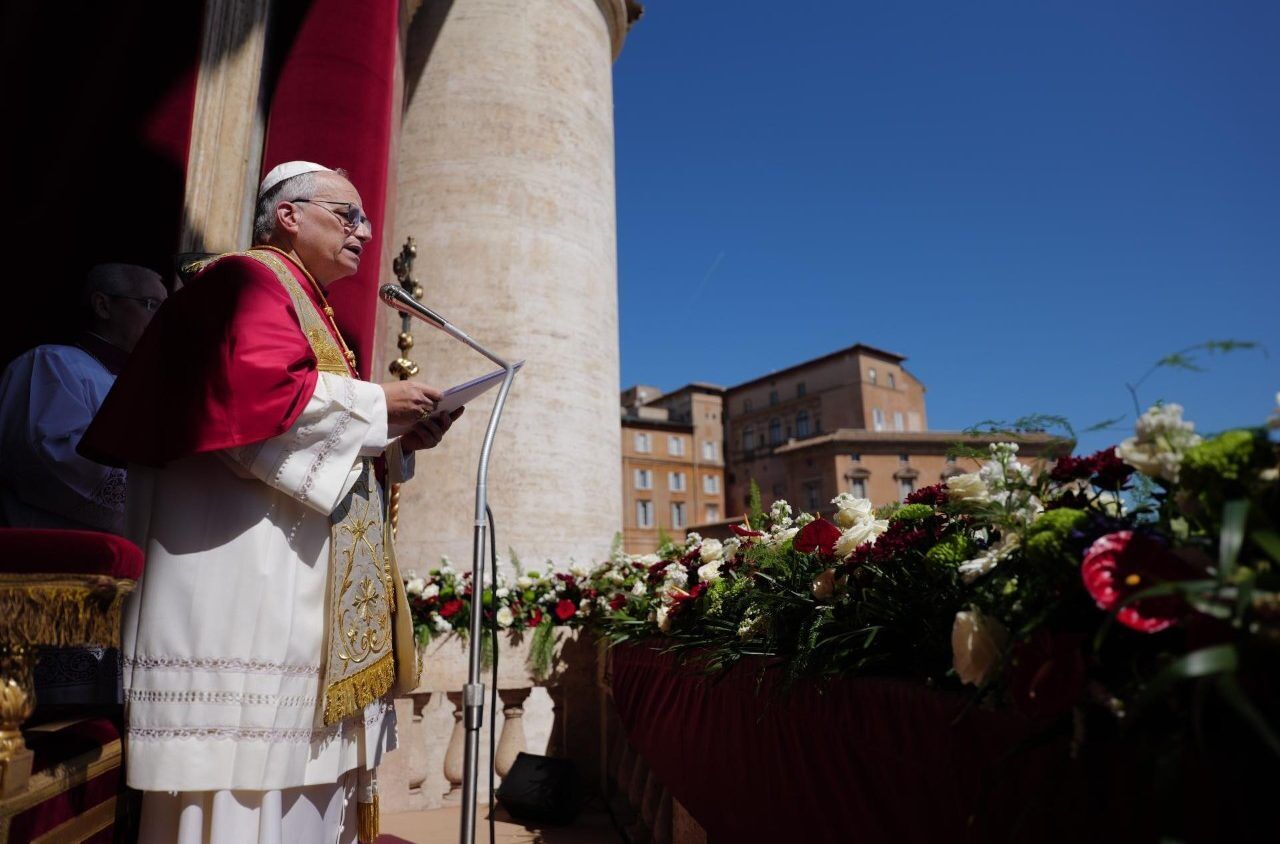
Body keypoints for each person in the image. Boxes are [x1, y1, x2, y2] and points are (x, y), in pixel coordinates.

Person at [80, 161, 461, 843]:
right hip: (242, 586)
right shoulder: (243, 280)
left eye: (364, 220)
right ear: (288, 215)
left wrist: (398, 439)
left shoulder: (306, 303)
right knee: (244, 793)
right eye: (347, 215)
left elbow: (307, 424)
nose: (364, 233)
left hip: (289, 593)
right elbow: (248, 400)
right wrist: (379, 405)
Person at [0, 263, 167, 534]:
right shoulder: (51, 363)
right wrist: (156, 494)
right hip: (54, 551)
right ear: (102, 306)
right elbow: (51, 456)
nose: (161, 319)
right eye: (150, 305)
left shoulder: (146, 385)